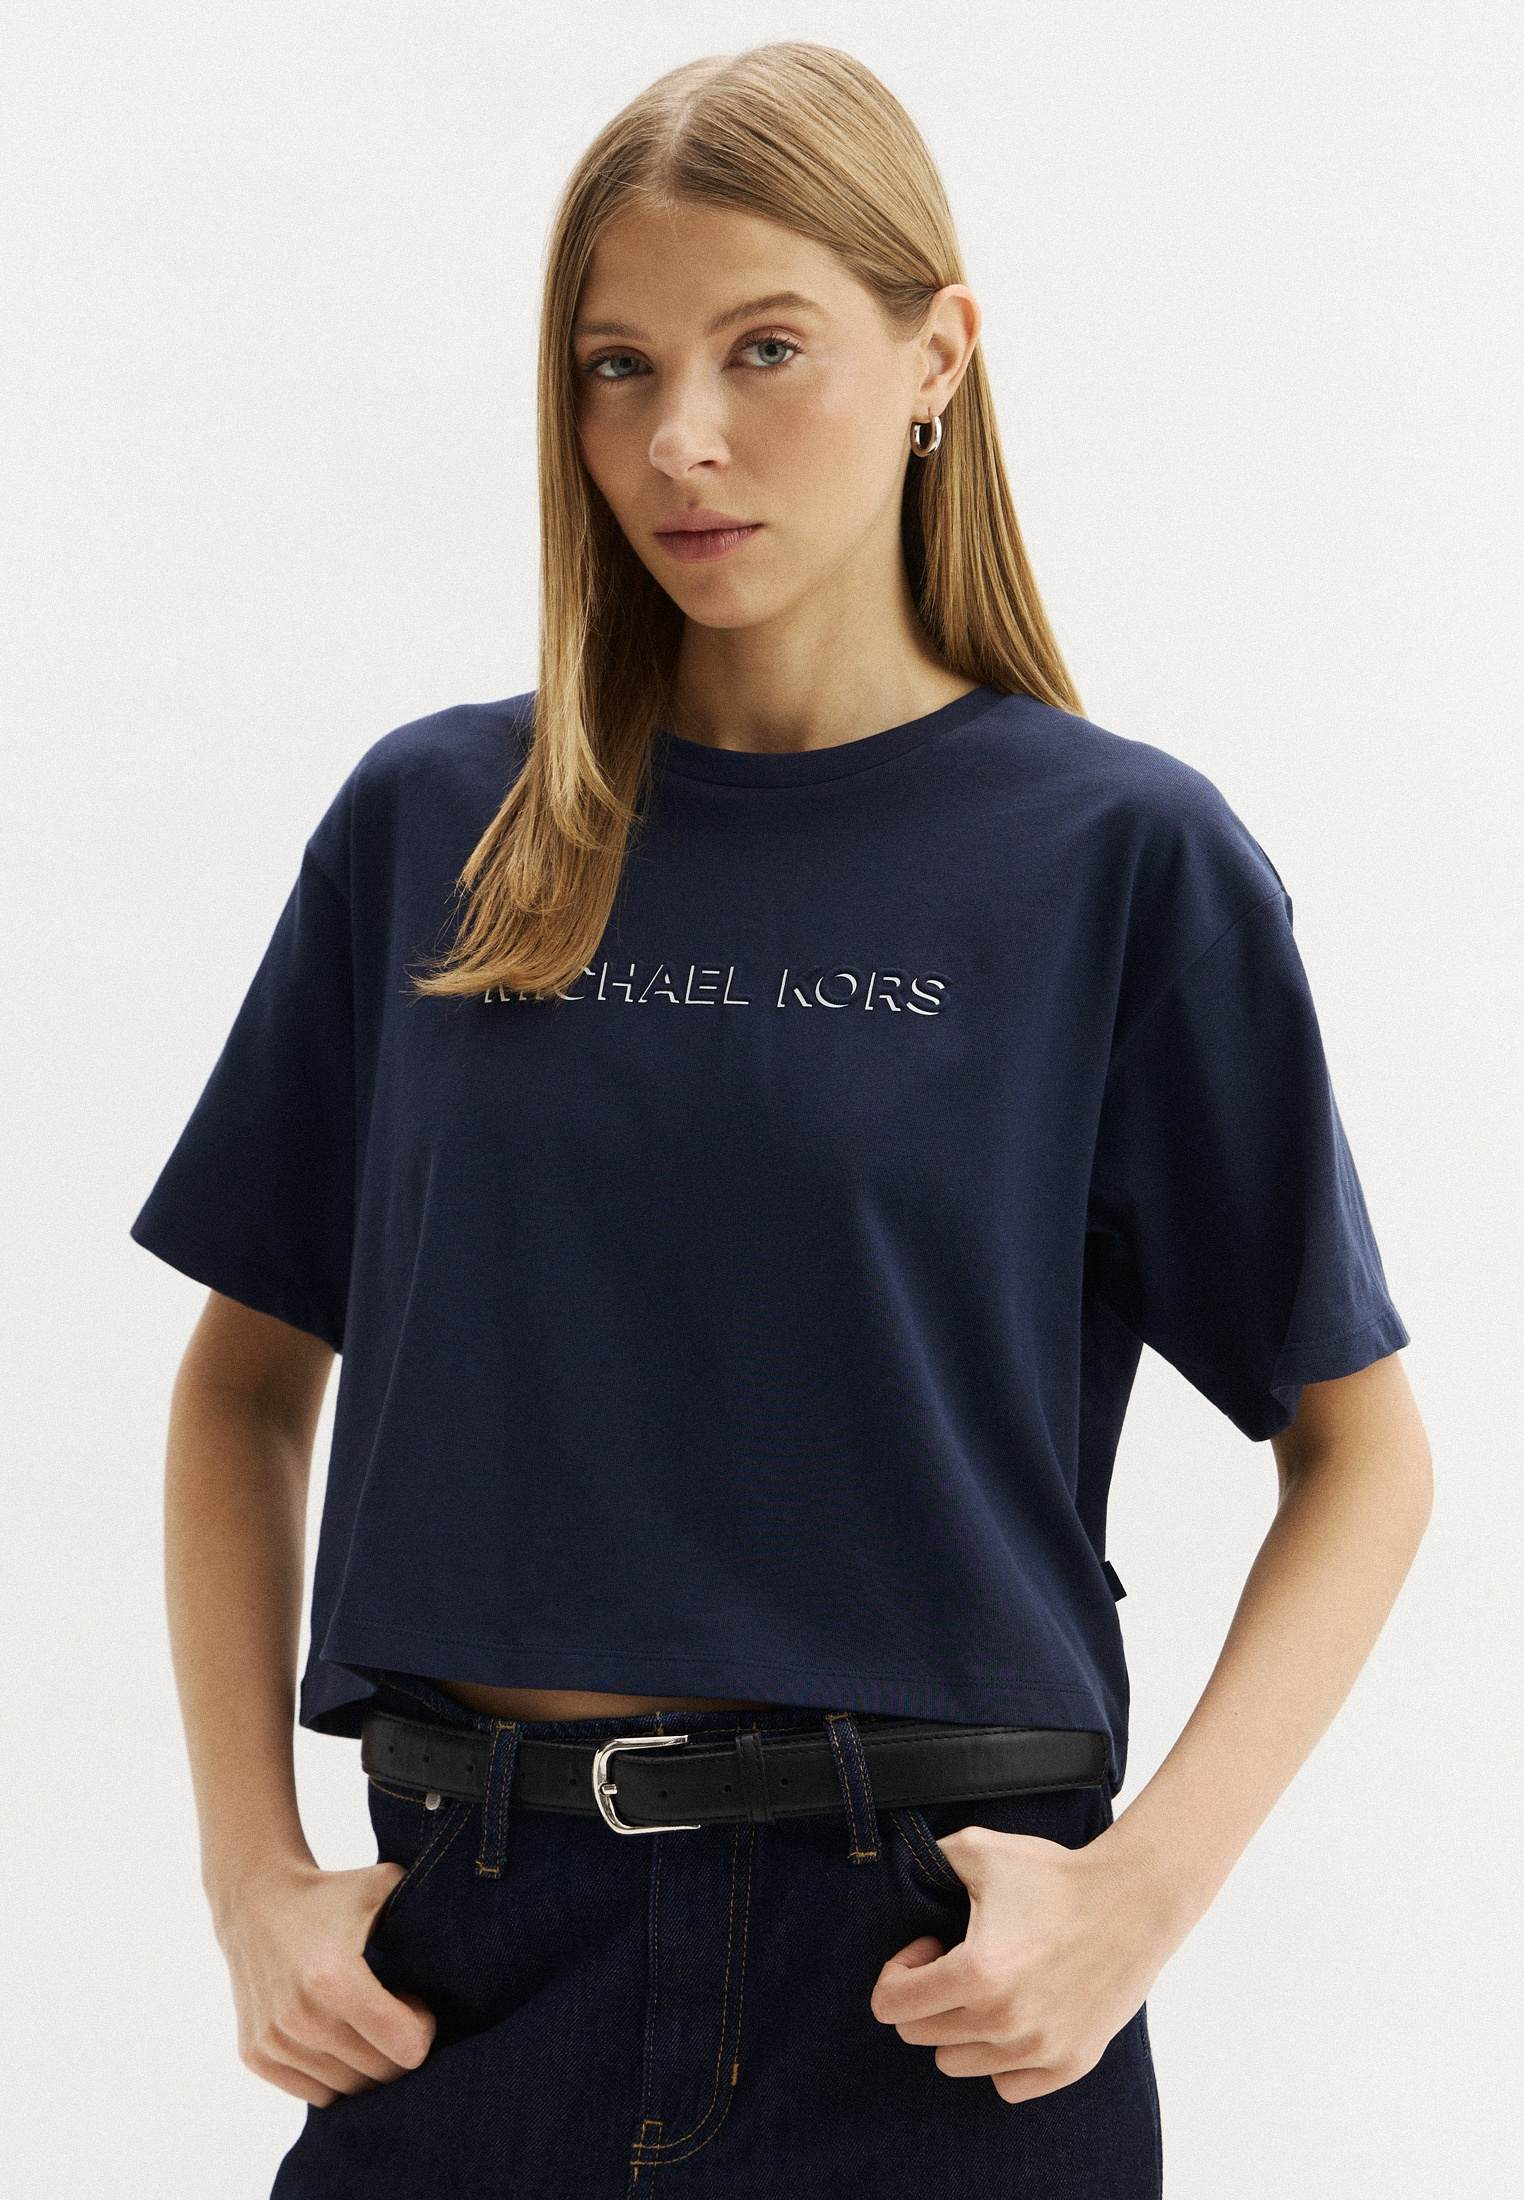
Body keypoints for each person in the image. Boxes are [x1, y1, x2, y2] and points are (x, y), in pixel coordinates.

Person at [128, 41, 1430, 2200]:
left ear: (938, 357)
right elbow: (241, 1388)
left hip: (933, 1994)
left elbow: (1363, 1451)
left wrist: (1141, 1897)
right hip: (462, 1979)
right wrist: (250, 1877)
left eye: (764, 349)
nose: (682, 439)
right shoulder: (435, 826)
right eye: (617, 367)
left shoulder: (1118, 862)